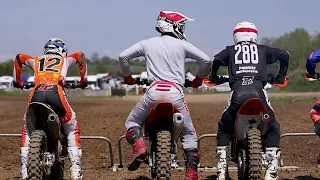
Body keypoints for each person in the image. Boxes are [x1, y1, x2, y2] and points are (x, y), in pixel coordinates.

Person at [119, 11, 211, 180]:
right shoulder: (182, 45)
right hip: (175, 93)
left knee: (132, 122)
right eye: (181, 25)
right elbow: (206, 60)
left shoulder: (147, 43)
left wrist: (127, 77)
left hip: (153, 92)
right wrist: (198, 79)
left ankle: (139, 145)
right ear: (174, 26)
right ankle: (191, 172)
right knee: (188, 133)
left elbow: (123, 56)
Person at [208, 21, 289, 180]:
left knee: (225, 126)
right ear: (254, 35)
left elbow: (216, 60)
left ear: (236, 36)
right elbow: (284, 54)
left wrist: (213, 77)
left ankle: (221, 170)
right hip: (259, 95)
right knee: (272, 125)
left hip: (237, 95)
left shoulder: (230, 50)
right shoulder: (263, 49)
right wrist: (280, 77)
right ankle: (271, 170)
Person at [13, 38, 88, 180]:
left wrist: (18, 81)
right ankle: (76, 172)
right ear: (62, 50)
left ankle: (24, 173)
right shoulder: (65, 60)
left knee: (27, 129)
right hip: (56, 93)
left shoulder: (36, 60)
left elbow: (19, 58)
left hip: (36, 95)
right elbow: (80, 56)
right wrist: (83, 80)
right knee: (72, 127)